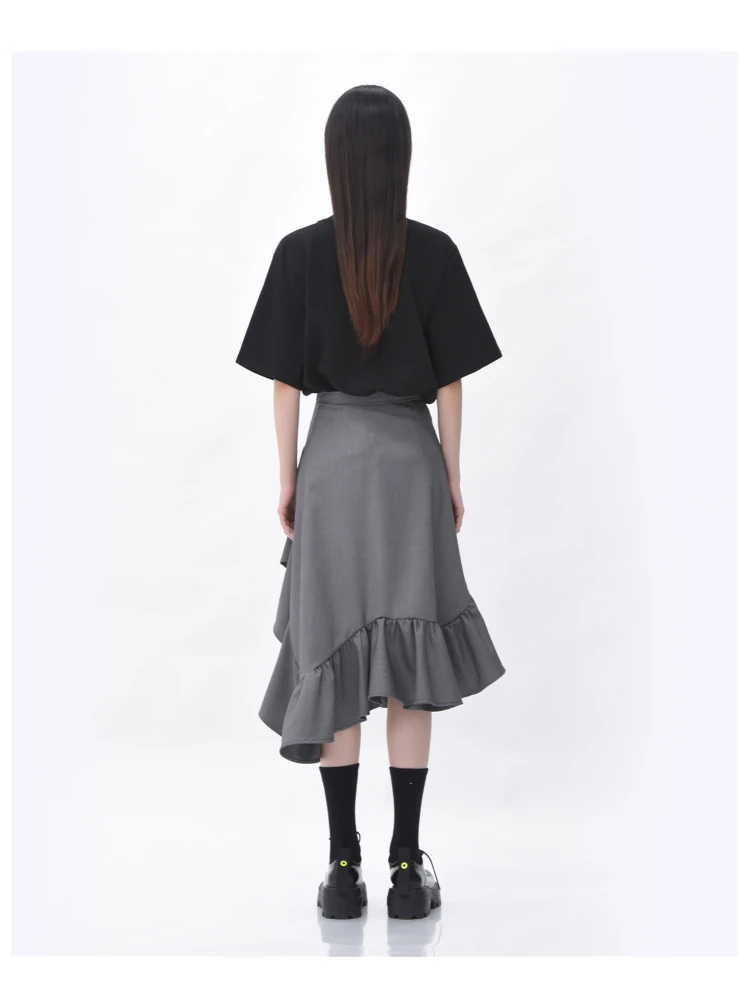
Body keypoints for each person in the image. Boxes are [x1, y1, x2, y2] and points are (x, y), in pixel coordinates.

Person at [236, 85, 505, 920]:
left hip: (333, 466)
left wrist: (289, 478)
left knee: (337, 659)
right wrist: (450, 475)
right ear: (401, 161)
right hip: (407, 466)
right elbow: (450, 383)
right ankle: (406, 870)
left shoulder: (299, 254)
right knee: (410, 673)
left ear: (336, 161)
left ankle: (341, 868)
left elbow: (285, 384)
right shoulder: (434, 254)